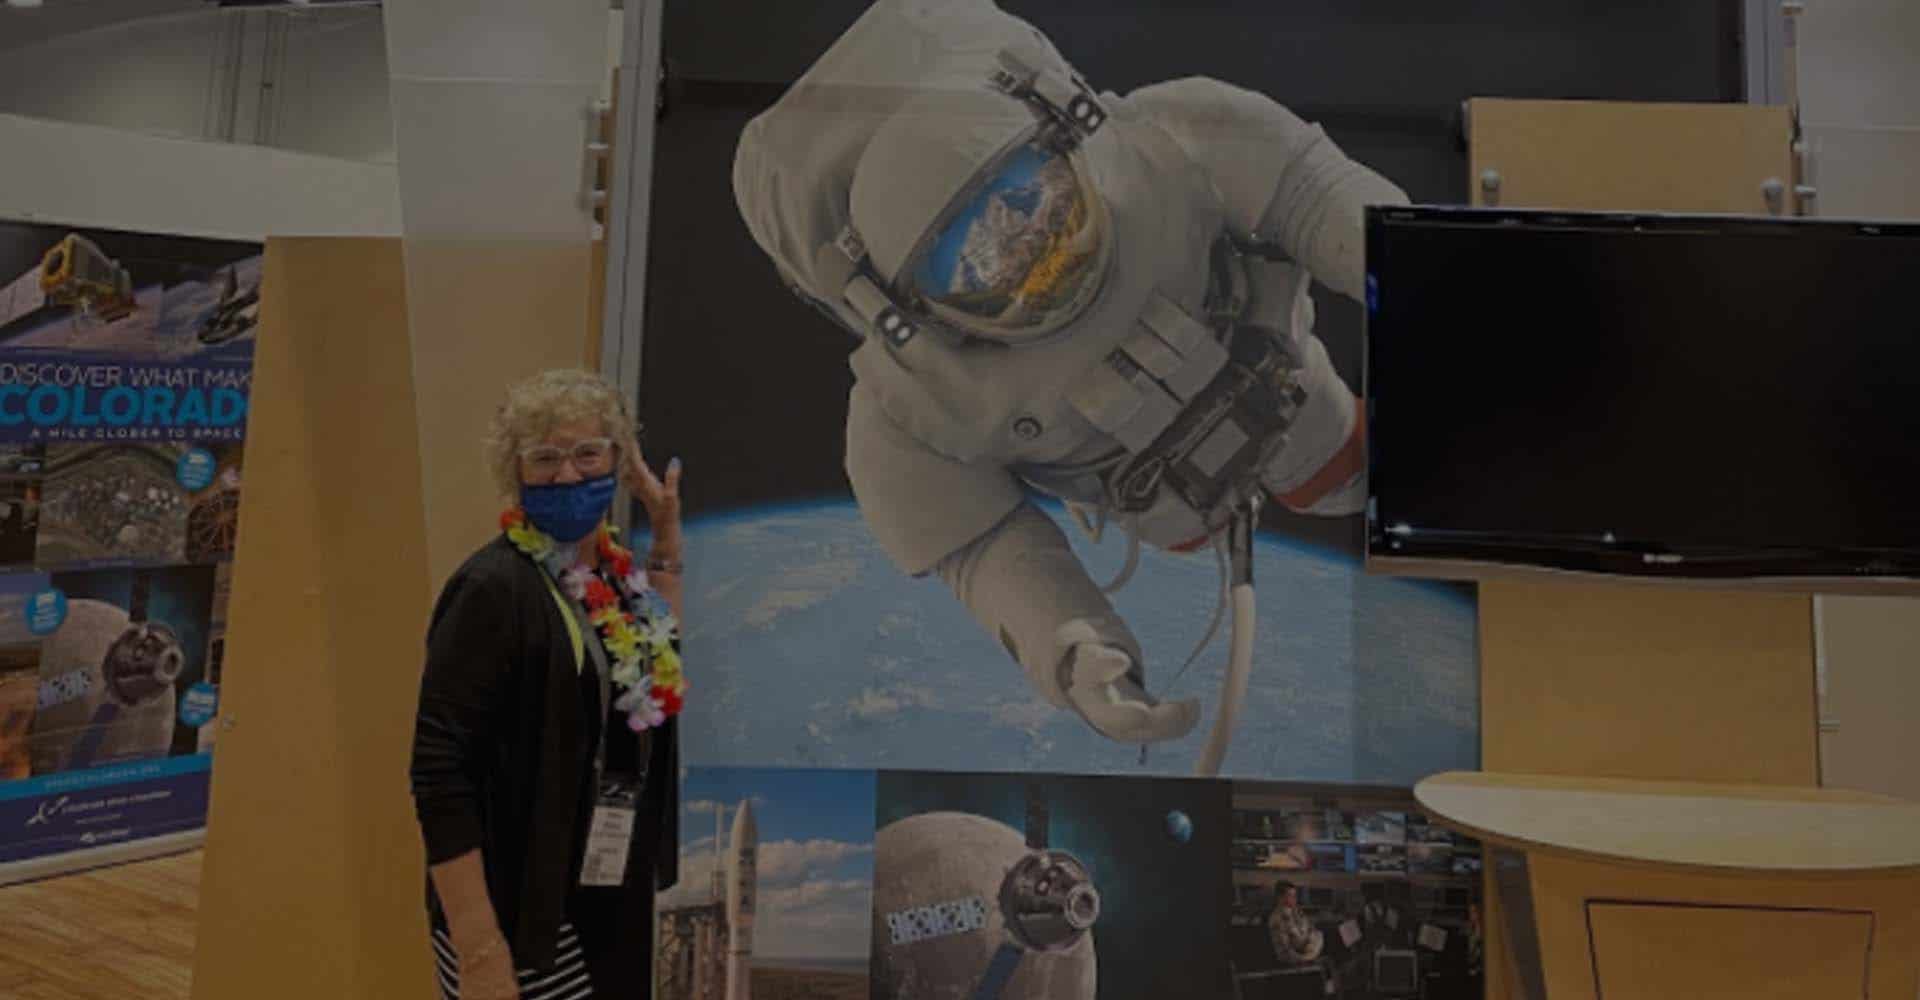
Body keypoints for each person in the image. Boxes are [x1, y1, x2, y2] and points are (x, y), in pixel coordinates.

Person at [733, 0, 1409, 747]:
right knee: (1316, 480)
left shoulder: (1180, 138)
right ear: (909, 306)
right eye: (977, 256)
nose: (1030, 251)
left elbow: (1324, 201)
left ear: (1062, 137)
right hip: (1171, 509)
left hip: (1291, 401)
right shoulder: (908, 405)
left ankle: (1350, 471)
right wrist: (1074, 648)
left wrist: (1422, 283)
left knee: (1343, 471)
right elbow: (983, 547)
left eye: (1027, 202)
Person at [410, 369, 686, 999]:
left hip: (601, 892)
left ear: (618, 462)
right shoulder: (491, 589)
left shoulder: (612, 576)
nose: (566, 475)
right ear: (517, 472)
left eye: (587, 453)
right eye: (544, 458)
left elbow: (657, 667)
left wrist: (665, 541)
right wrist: (479, 950)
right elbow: (437, 772)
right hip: (520, 909)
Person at [1267, 883, 1325, 965]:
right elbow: (1284, 951)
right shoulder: (1276, 919)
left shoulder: (1297, 911)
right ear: (1280, 898)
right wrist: (1305, 959)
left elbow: (1311, 929)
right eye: (1290, 895)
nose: (1294, 899)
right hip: (1296, 959)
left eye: (1295, 895)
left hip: (1311, 950)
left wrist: (1311, 945)